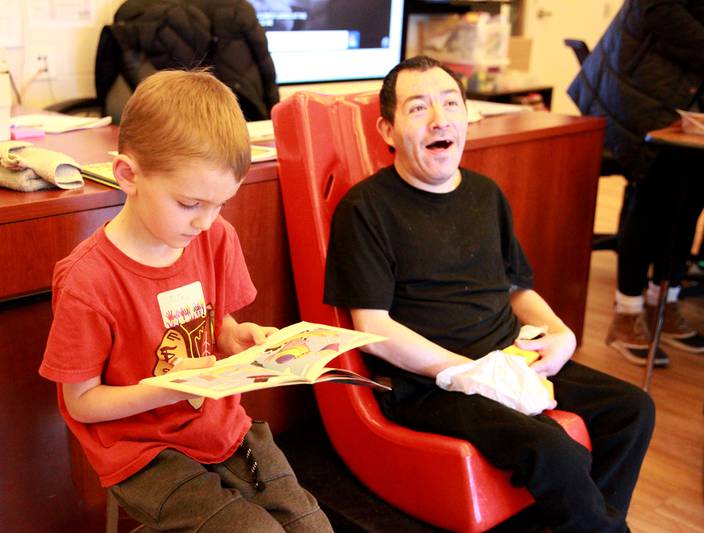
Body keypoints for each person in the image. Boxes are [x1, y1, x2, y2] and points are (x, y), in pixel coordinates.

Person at [324, 55, 655, 532]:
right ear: (387, 130)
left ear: (465, 116)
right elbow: (373, 331)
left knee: (633, 411)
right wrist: (468, 373)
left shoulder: (486, 194)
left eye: (450, 104)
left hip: (507, 357)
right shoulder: (365, 208)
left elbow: (518, 290)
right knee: (553, 449)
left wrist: (562, 334)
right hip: (430, 385)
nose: (440, 119)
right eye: (418, 109)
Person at [40, 69, 331, 532]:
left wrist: (239, 337)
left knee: (311, 526)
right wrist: (172, 388)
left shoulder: (215, 236)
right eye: (189, 204)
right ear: (127, 175)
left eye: (220, 204)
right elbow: (81, 403)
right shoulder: (87, 280)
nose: (204, 222)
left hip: (221, 427)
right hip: (142, 450)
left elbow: (218, 325)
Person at [568, 0, 704, 365]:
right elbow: (657, 9)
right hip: (641, 96)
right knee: (653, 202)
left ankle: (665, 305)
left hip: (688, 99)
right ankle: (626, 314)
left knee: (689, 203)